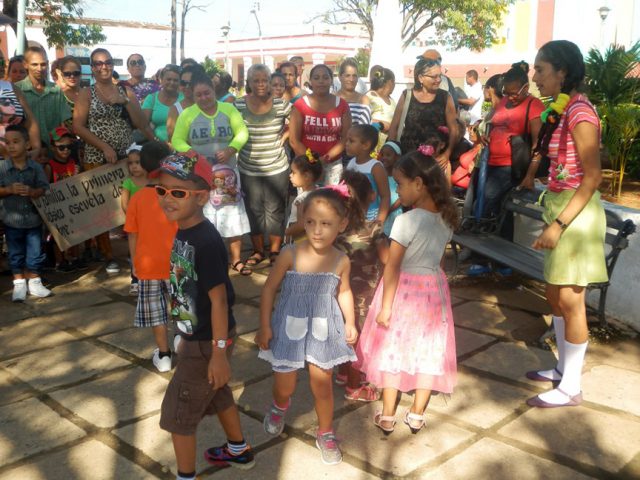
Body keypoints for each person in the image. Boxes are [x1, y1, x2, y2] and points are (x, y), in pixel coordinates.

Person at [157, 152, 256, 479]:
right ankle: (238, 449)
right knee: (217, 392)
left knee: (178, 413)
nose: (168, 198)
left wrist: (218, 353)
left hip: (205, 343)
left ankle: (185, 476)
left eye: (178, 192)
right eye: (163, 190)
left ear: (201, 197)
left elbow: (218, 302)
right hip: (195, 336)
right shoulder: (185, 230)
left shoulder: (206, 240)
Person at [524, 40, 607, 409]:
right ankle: (562, 368)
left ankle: (571, 385)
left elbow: (592, 177)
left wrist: (558, 224)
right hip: (562, 206)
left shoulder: (581, 113)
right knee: (555, 295)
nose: (535, 77)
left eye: (541, 70)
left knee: (572, 300)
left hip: (576, 216)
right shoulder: (565, 109)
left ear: (562, 71)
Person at [355, 147, 458, 434]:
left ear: (419, 184)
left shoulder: (405, 221)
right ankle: (416, 413)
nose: (397, 189)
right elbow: (437, 260)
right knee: (428, 348)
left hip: (404, 291)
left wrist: (386, 306)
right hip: (434, 289)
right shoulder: (447, 217)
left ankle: (388, 414)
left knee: (393, 346)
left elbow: (392, 265)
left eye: (399, 183)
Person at [255, 187, 359, 465]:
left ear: (342, 224)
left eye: (326, 224)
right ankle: (279, 406)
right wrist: (264, 326)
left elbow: (344, 292)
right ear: (302, 219)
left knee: (322, 385)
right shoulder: (290, 254)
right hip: (288, 327)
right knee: (284, 385)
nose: (316, 230)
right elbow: (268, 290)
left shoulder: (341, 260)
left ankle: (325, 431)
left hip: (323, 328)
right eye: (310, 222)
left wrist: (351, 321)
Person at [74, 47, 154, 274]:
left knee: (132, 203)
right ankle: (108, 255)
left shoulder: (125, 90)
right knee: (103, 209)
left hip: (126, 158)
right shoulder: (86, 93)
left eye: (107, 62)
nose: (103, 67)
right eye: (97, 63)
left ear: (112, 64)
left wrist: (124, 102)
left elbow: (141, 123)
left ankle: (135, 249)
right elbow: (78, 126)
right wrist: (104, 146)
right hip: (98, 157)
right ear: (92, 66)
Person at [171, 72, 252, 276]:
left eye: (207, 93)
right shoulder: (188, 114)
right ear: (193, 95)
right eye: (198, 95)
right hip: (201, 177)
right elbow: (178, 140)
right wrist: (195, 156)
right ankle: (211, 260)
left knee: (232, 215)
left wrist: (231, 149)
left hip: (228, 175)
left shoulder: (229, 109)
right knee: (204, 217)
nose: (204, 98)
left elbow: (242, 132)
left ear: (214, 91)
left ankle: (236, 260)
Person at [123, 141, 178, 372]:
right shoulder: (177, 195)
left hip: (147, 265)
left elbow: (132, 235)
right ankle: (182, 342)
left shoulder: (137, 199)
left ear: (144, 166)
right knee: (182, 308)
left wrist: (135, 264)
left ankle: (164, 355)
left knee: (157, 313)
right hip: (178, 264)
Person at [234, 64, 292, 268]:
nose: (260, 84)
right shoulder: (238, 106)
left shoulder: (282, 105)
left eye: (264, 80)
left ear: (269, 82)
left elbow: (297, 124)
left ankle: (275, 250)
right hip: (248, 167)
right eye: (255, 80)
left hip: (277, 166)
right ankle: (259, 250)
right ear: (248, 83)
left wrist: (285, 136)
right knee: (254, 209)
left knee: (276, 210)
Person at [336, 169, 385, 402]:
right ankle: (355, 386)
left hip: (338, 293)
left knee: (345, 330)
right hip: (365, 295)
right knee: (359, 339)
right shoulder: (374, 229)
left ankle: (343, 373)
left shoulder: (336, 228)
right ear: (372, 196)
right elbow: (387, 260)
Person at [0, 125, 51, 302]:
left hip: (33, 219)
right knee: (15, 252)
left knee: (35, 252)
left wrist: (32, 192)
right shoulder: (2, 168)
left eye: (16, 142)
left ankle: (35, 281)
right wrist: (8, 190)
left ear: (27, 144)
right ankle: (19, 283)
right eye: (7, 143)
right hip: (11, 219)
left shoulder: (35, 168)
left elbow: (44, 188)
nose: (11, 146)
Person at [388, 56, 457, 177]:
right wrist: (394, 153)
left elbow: (454, 129)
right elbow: (394, 127)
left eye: (439, 76)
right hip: (408, 159)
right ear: (420, 78)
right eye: (433, 77)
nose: (438, 80)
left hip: (434, 162)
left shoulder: (446, 97)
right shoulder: (407, 95)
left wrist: (447, 154)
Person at [289, 64, 351, 186]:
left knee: (331, 202)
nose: (321, 81)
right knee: (307, 201)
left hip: (333, 165)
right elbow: (294, 140)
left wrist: (325, 158)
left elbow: (345, 138)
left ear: (331, 80)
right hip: (306, 166)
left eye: (325, 77)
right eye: (316, 78)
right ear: (310, 81)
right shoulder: (300, 105)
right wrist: (313, 161)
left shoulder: (342, 105)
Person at [44, 126, 83, 273]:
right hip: (57, 208)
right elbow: (46, 188)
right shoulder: (49, 166)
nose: (66, 150)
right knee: (57, 237)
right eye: (61, 147)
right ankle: (60, 262)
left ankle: (74, 258)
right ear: (53, 148)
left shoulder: (73, 163)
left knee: (75, 233)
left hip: (71, 205)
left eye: (69, 146)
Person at [16, 47, 71, 149]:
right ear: (25, 64)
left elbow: (64, 124)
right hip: (26, 153)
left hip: (53, 154)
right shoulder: (16, 90)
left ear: (47, 63)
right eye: (34, 64)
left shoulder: (56, 90)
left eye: (43, 64)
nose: (39, 68)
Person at [345, 124, 390, 223]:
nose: (346, 143)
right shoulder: (351, 163)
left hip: (370, 217)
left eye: (351, 141)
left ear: (366, 145)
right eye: (347, 140)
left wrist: (379, 222)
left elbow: (385, 196)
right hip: (352, 215)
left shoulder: (376, 167)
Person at [0, 70, 41, 160]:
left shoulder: (11, 87)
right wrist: (6, 156)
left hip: (19, 160)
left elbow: (30, 121)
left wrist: (36, 149)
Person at [285, 150, 323, 243]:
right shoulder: (319, 192)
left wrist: (287, 232)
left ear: (306, 176)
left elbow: (302, 224)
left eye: (293, 173)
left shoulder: (302, 200)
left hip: (300, 243)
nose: (290, 175)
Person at [142, 64, 183, 142]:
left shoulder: (184, 99)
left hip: (182, 145)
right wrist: (156, 141)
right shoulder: (151, 98)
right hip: (157, 146)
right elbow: (144, 126)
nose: (172, 82)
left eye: (175, 80)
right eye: (168, 79)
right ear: (161, 80)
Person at [166, 65, 203, 141]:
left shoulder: (212, 105)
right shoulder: (175, 110)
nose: (187, 86)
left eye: (191, 83)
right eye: (183, 83)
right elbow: (173, 138)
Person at [367, 66, 396, 151]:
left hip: (388, 147)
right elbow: (363, 120)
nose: (394, 85)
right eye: (394, 82)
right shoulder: (370, 96)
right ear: (390, 82)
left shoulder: (392, 100)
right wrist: (382, 125)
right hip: (373, 146)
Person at [335, 58, 370, 126]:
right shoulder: (332, 99)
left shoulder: (363, 100)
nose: (351, 79)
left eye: (354, 76)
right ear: (340, 77)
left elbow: (364, 130)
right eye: (347, 75)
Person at [378, 140, 402, 235]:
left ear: (397, 157)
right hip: (381, 212)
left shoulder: (400, 175)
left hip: (394, 213)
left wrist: (389, 210)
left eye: (388, 155)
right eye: (383, 154)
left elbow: (401, 198)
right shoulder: (379, 173)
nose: (384, 158)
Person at [54, 56, 83, 130]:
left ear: (81, 74)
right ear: (62, 75)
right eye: (67, 74)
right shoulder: (57, 96)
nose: (72, 76)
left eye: (76, 73)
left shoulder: (88, 94)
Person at [120, 143, 147, 213]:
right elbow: (125, 205)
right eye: (130, 163)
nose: (134, 166)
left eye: (137, 162)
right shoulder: (128, 183)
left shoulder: (151, 180)